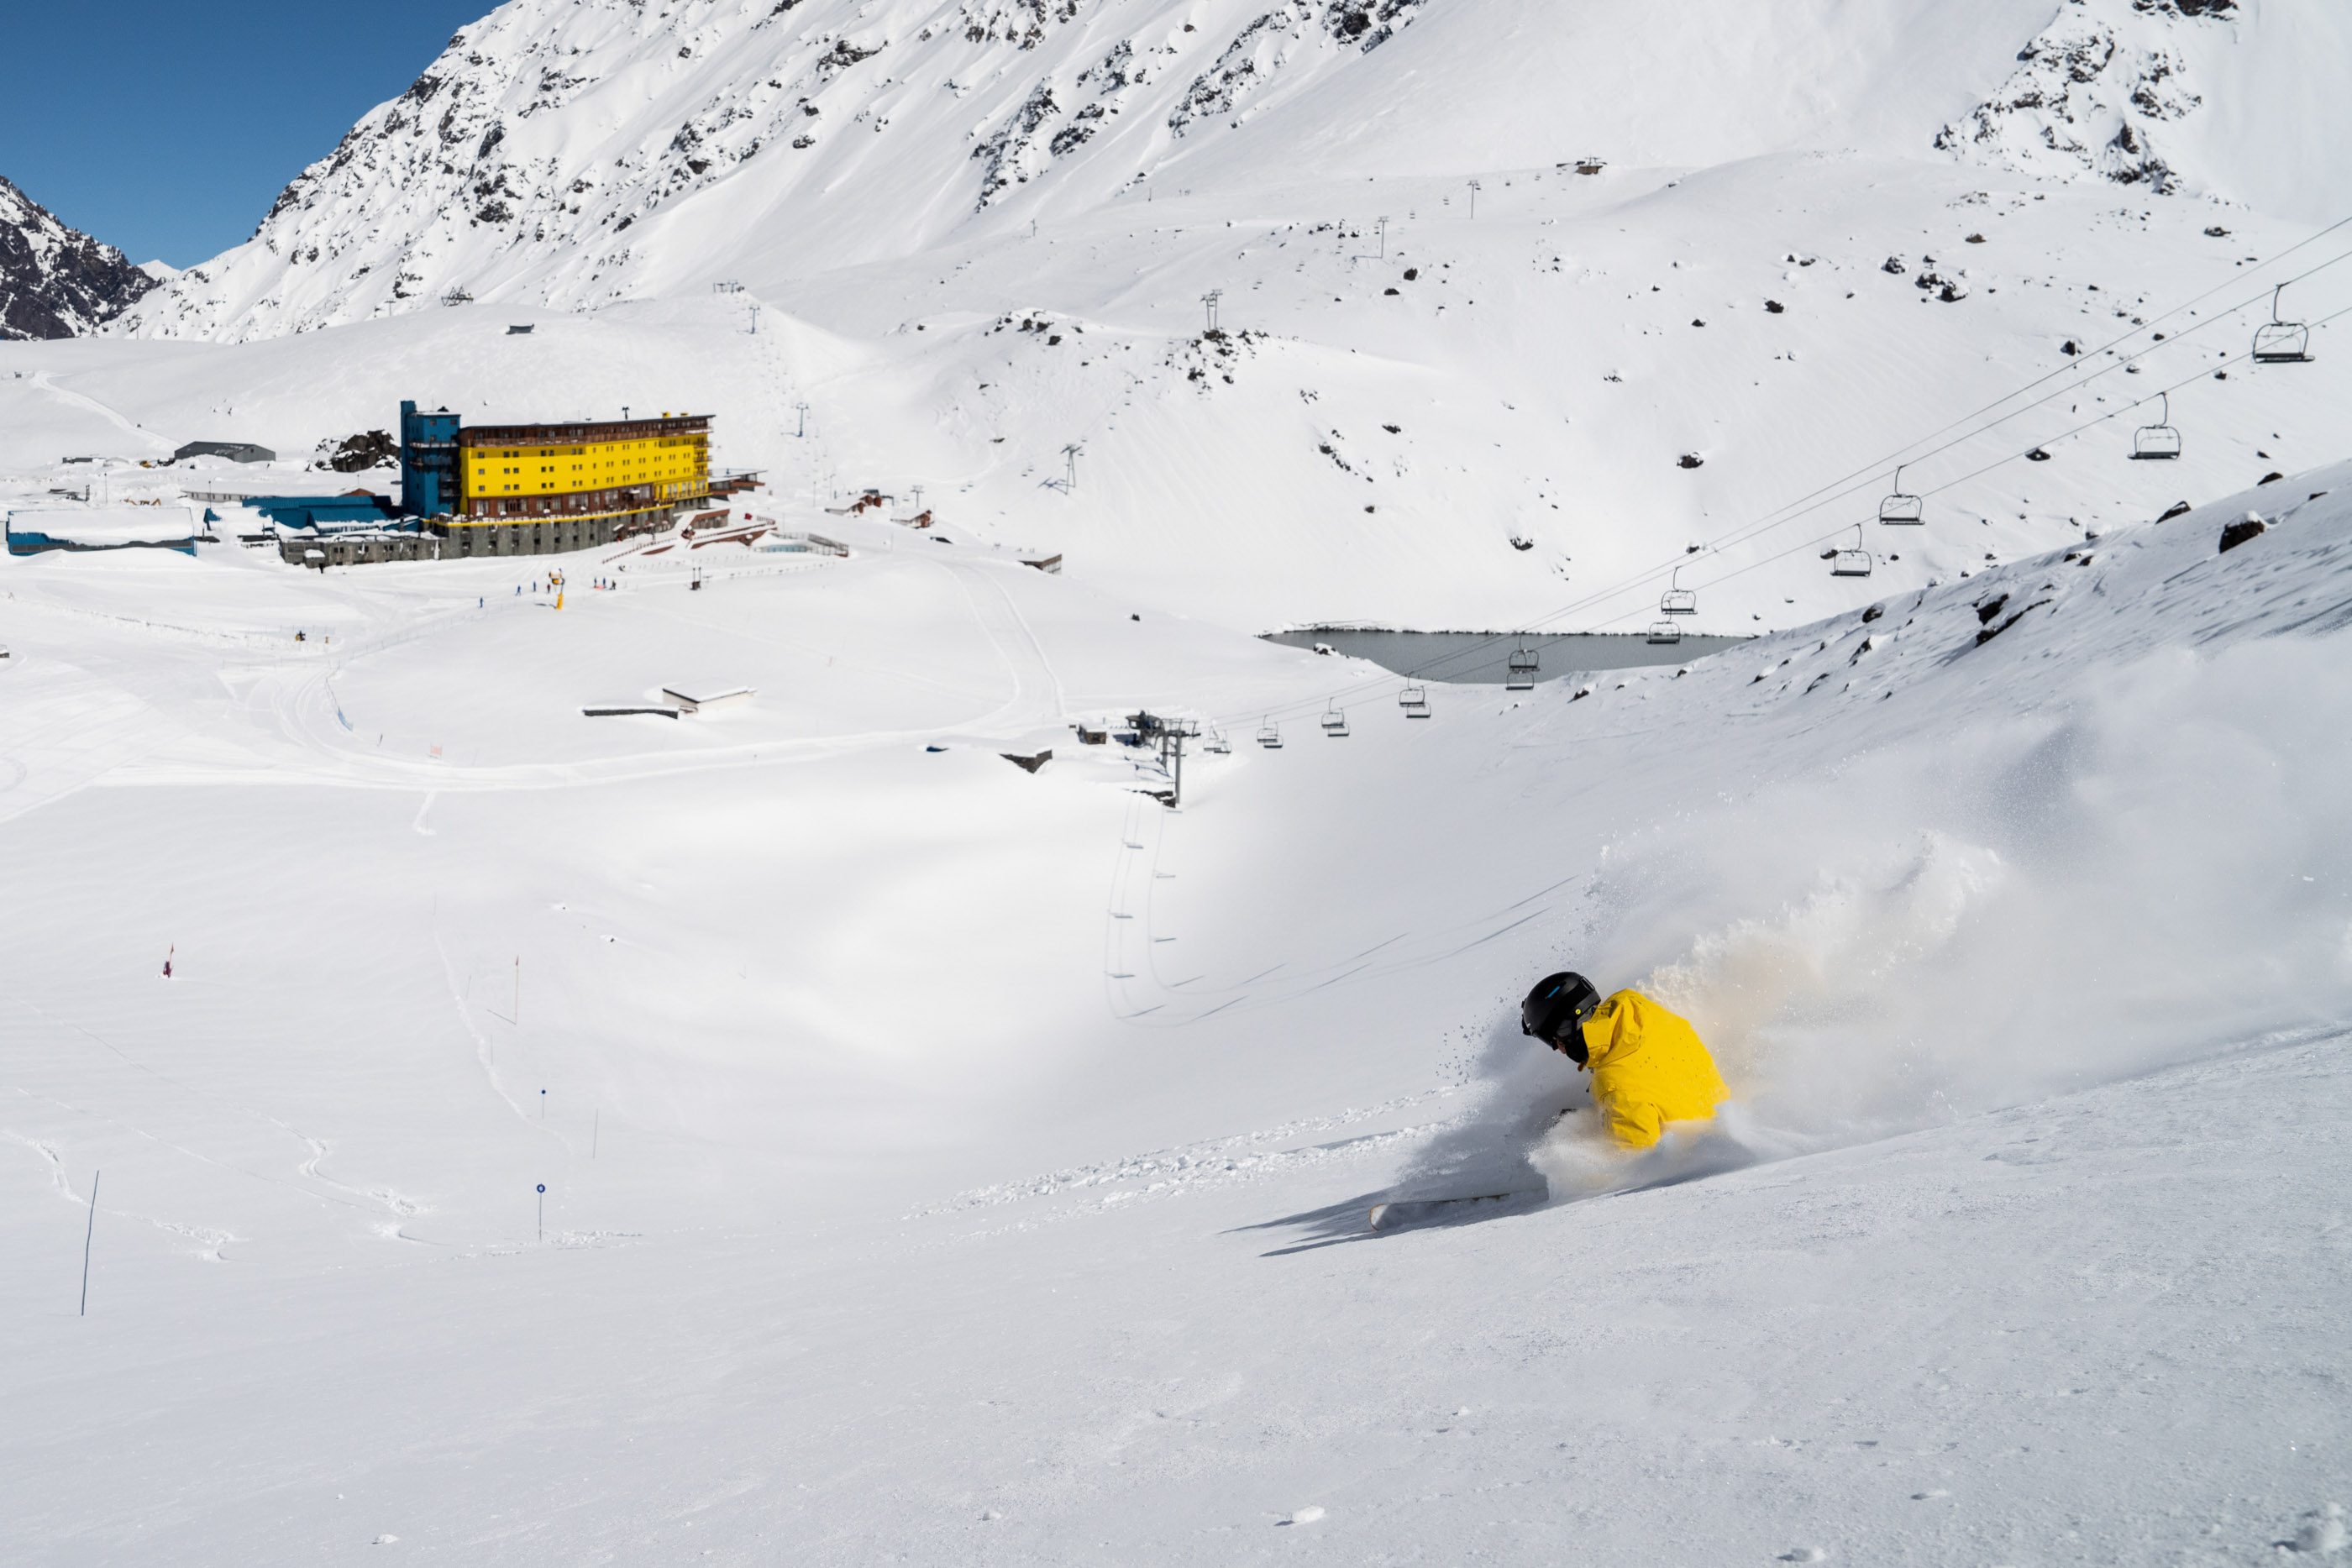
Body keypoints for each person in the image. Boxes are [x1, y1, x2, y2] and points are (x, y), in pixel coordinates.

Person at [1520, 972, 1730, 1149]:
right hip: (1715, 1113)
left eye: (1556, 1041)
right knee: (1568, 1119)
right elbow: (1651, 1082)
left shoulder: (1617, 1088)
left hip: (1698, 1151)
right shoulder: (1637, 1009)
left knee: (1562, 1130)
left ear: (1569, 1029)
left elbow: (1633, 1161)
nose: (1560, 1050)